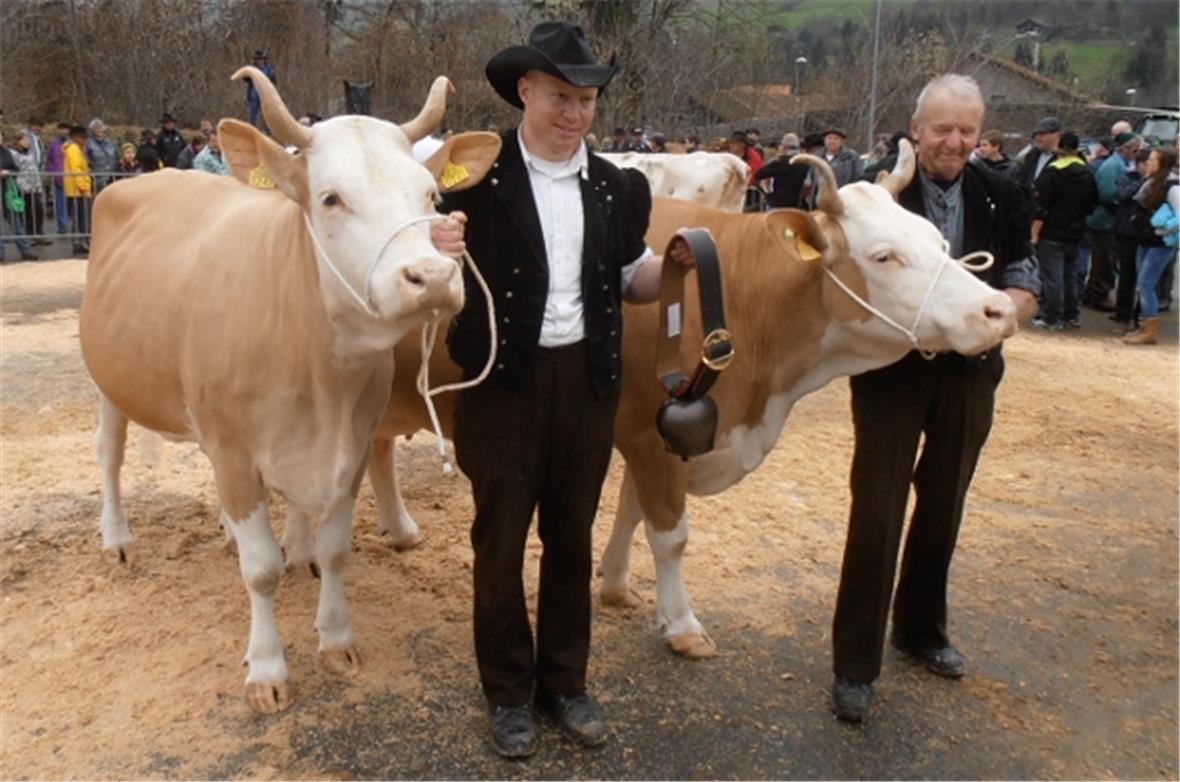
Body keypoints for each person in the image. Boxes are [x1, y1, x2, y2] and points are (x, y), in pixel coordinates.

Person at [440, 20, 690, 759]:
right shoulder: (474, 180)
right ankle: (508, 692)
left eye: (585, 99)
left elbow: (629, 282)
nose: (574, 113)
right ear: (525, 91)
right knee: (500, 539)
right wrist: (433, 243)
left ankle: (566, 683)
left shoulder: (616, 187)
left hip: (586, 383)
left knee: (571, 539)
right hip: (501, 385)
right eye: (559, 96)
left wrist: (675, 268)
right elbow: (422, 266)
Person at [830, 73, 1039, 724]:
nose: (954, 141)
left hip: (971, 374)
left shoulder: (1002, 192)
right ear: (915, 128)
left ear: (980, 133)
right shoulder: (874, 195)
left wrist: (1006, 312)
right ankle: (854, 663)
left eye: (966, 130)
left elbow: (1023, 281)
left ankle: (921, 631)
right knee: (878, 507)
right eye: (942, 128)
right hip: (892, 373)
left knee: (945, 501)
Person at [1029, 131, 1098, 330]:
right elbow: (1093, 203)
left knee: (1052, 276)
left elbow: (1040, 206)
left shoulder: (1052, 172)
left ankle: (1052, 316)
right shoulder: (1087, 172)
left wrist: (1034, 232)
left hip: (1052, 231)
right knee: (1070, 275)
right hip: (1077, 230)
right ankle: (1071, 315)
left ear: (1059, 147)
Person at [1124, 147, 1179, 345]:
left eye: (1153, 159)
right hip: (1145, 239)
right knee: (1143, 283)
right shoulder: (1152, 182)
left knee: (1146, 283)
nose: (1148, 162)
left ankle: (1150, 329)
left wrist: (1162, 231)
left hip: (1160, 242)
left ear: (1162, 163)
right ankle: (1144, 325)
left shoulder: (1172, 186)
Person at [1084, 132, 1142, 311]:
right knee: (1104, 260)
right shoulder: (1112, 166)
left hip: (1110, 220)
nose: (1137, 153)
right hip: (1104, 221)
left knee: (1105, 259)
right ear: (1125, 148)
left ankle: (1092, 293)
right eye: (1135, 149)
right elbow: (1108, 194)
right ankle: (1099, 295)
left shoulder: (1122, 164)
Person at [1111, 146, 1151, 331]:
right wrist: (1141, 182)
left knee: (1146, 278)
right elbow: (1121, 195)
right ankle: (1122, 315)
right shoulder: (1127, 177)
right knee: (1127, 276)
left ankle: (1140, 317)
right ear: (1140, 164)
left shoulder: (1160, 182)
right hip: (1127, 232)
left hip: (1147, 235)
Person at [0, 129, 38, 262]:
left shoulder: (5, 152)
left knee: (16, 222)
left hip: (6, 191)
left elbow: (15, 168)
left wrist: (8, 172)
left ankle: (25, 249)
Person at [9, 129, 47, 244]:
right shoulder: (13, 153)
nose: (27, 142)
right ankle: (27, 235)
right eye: (24, 140)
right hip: (22, 186)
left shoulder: (29, 152)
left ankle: (38, 233)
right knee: (26, 212)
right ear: (18, 141)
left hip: (33, 185)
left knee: (38, 209)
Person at [754, 132, 809, 209]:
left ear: (784, 146)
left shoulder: (780, 162)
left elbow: (759, 174)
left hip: (779, 203)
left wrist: (774, 159)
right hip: (799, 204)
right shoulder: (805, 162)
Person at [62, 124, 92, 254]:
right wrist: (84, 188)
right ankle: (79, 242)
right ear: (76, 137)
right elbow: (77, 170)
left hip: (75, 189)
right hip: (77, 190)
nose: (85, 140)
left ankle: (80, 241)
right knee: (80, 217)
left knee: (80, 217)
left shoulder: (75, 149)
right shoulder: (73, 149)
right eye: (83, 137)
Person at [1017, 116, 1061, 192]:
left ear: (1056, 135)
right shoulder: (1030, 156)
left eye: (1042, 135)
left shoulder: (1064, 158)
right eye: (1036, 135)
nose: (1038, 138)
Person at [44, 122, 70, 236]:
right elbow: (49, 159)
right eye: (62, 129)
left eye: (66, 129)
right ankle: (62, 227)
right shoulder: (54, 144)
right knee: (60, 204)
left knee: (73, 205)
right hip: (58, 179)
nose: (64, 131)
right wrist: (52, 171)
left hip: (71, 177)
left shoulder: (71, 144)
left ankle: (73, 227)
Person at [727, 131, 764, 210]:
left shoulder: (754, 157)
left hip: (749, 192)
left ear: (742, 145)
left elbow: (754, 175)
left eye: (734, 143)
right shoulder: (729, 156)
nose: (731, 146)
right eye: (730, 143)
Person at [244, 50, 278, 130]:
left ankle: (268, 131)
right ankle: (253, 129)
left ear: (263, 60)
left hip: (265, 95)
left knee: (266, 115)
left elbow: (274, 81)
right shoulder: (252, 69)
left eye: (260, 59)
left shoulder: (269, 70)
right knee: (253, 114)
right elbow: (245, 78)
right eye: (257, 59)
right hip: (254, 94)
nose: (259, 61)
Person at [84, 118, 118, 193]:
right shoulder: (88, 143)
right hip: (97, 179)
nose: (99, 129)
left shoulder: (111, 143)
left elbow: (116, 158)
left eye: (100, 127)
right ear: (92, 130)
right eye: (96, 127)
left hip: (112, 177)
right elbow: (85, 160)